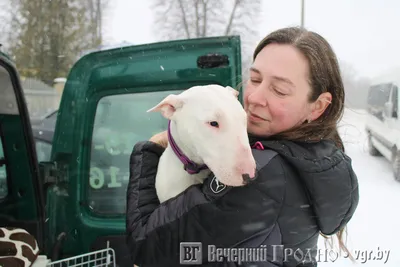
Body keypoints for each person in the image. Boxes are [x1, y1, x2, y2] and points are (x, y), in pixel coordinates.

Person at [125, 26, 359, 267]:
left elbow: (147, 247)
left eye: (279, 90)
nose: (255, 97)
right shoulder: (309, 156)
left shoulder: (263, 176)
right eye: (255, 78)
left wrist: (150, 151)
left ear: (318, 107)